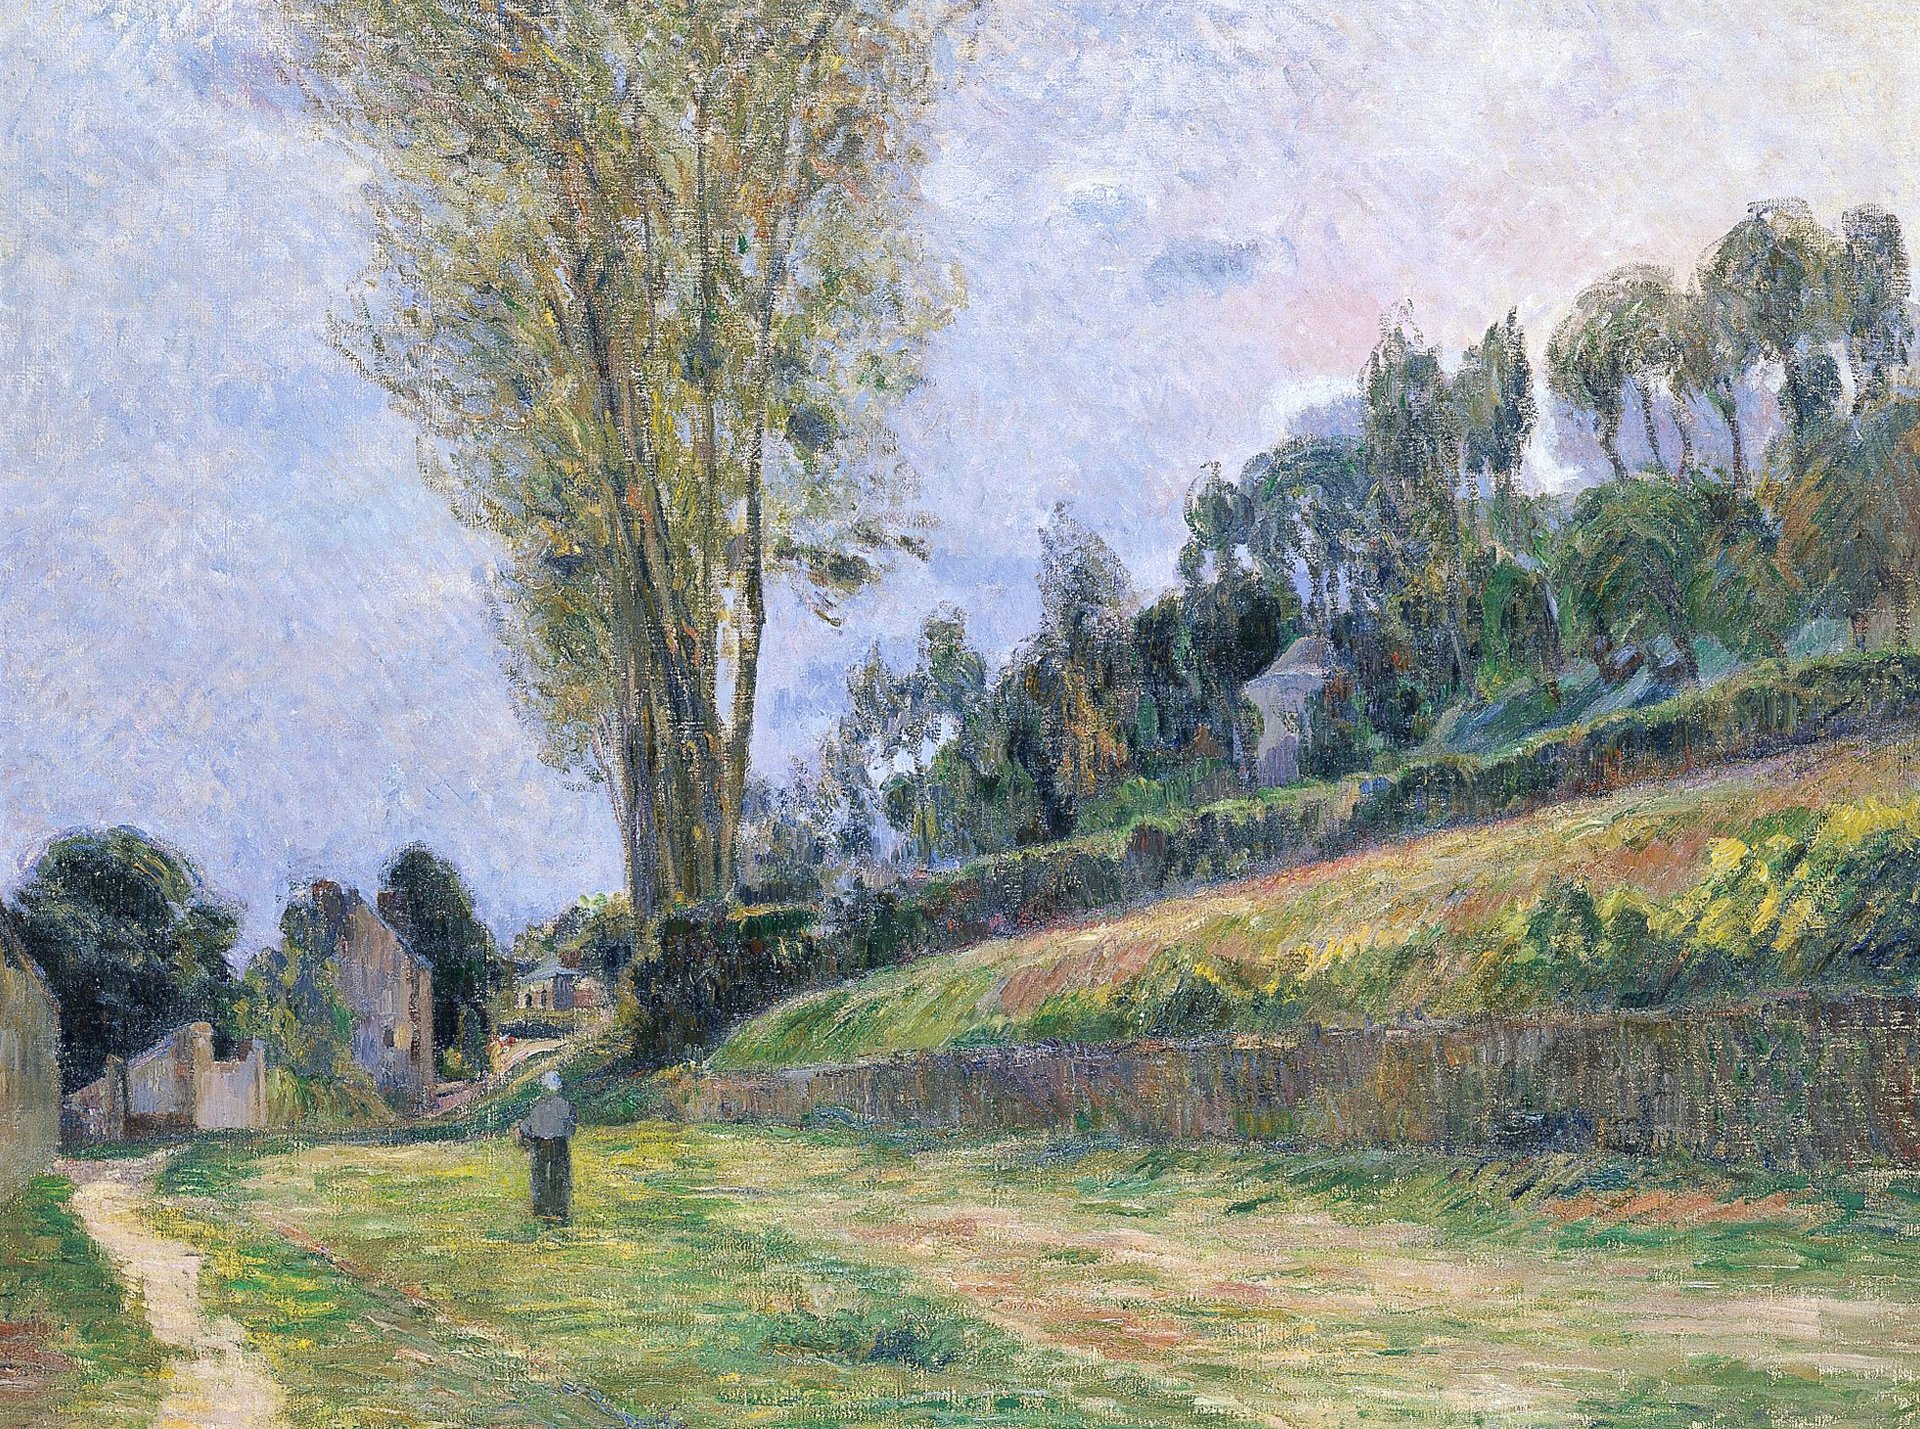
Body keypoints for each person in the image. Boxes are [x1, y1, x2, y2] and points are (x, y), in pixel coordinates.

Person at [518, 1070, 577, 1223]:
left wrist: (527, 1137)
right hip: (559, 1144)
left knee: (540, 1176)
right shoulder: (565, 1105)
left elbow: (526, 1127)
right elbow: (571, 1127)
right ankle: (560, 1209)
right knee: (560, 1176)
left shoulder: (537, 1106)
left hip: (540, 1144)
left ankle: (542, 1208)